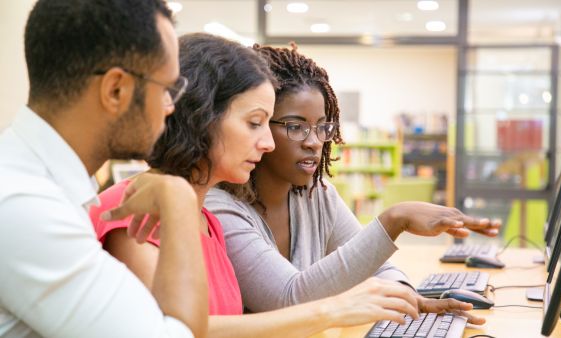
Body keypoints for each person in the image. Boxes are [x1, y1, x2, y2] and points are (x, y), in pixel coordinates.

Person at [89, 32, 463, 337]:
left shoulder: (206, 221)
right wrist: (332, 310)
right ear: (202, 116)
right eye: (255, 123)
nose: (267, 143)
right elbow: (179, 332)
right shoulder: (135, 209)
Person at [207, 43, 500, 318]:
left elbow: (375, 266)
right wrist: (393, 221)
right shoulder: (218, 207)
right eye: (296, 127)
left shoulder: (316, 195)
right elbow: (288, 298)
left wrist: (409, 297)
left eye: (323, 127)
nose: (314, 142)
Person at [0, 1, 208, 337]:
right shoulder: (24, 204)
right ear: (116, 90)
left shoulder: (34, 180)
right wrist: (180, 199)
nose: (171, 107)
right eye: (167, 89)